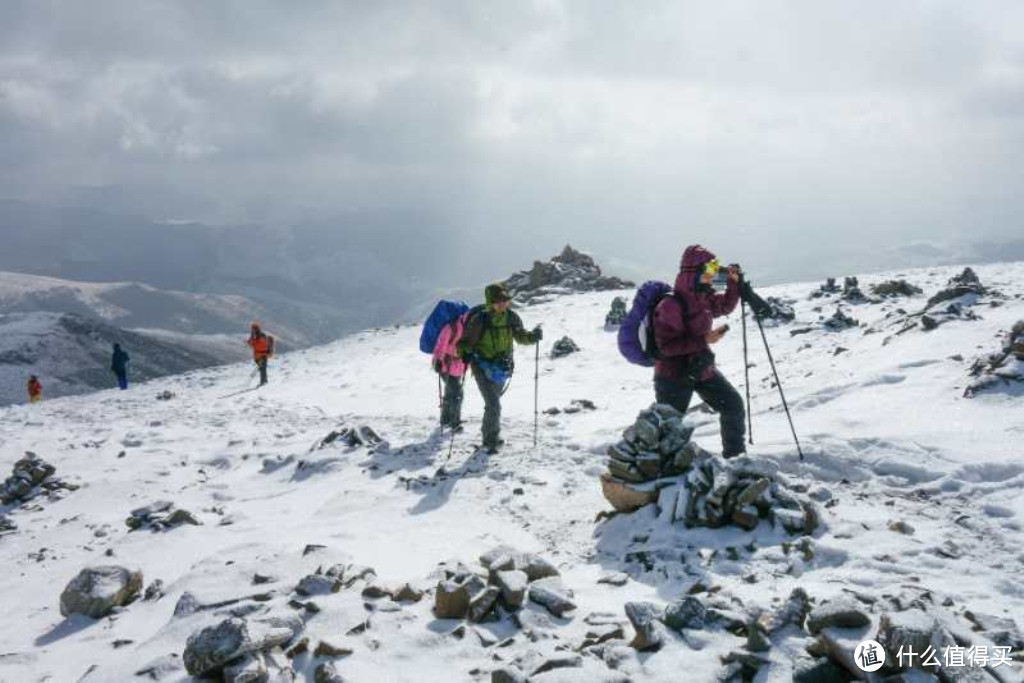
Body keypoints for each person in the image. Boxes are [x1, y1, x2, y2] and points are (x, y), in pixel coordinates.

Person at [653, 245, 746, 458]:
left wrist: (732, 282)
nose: (715, 272)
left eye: (716, 267)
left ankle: (735, 461)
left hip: (701, 368)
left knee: (733, 406)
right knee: (669, 429)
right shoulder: (670, 305)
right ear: (692, 273)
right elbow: (665, 347)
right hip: (673, 376)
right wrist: (704, 339)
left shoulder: (705, 294)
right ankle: (661, 477)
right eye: (710, 268)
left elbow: (724, 307)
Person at [458, 283, 542, 453]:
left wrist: (533, 337)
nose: (502, 303)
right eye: (498, 301)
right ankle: (490, 440)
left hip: (502, 368)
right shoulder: (479, 320)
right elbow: (463, 343)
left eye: (504, 300)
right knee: (494, 404)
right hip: (482, 367)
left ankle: (488, 434)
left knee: (493, 404)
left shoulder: (511, 317)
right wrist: (464, 353)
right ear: (490, 302)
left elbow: (521, 337)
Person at [432, 310, 469, 432]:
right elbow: (440, 345)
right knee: (457, 393)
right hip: (444, 365)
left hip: (458, 366)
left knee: (450, 392)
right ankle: (455, 422)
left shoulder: (470, 329)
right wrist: (438, 360)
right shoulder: (451, 327)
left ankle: (445, 419)